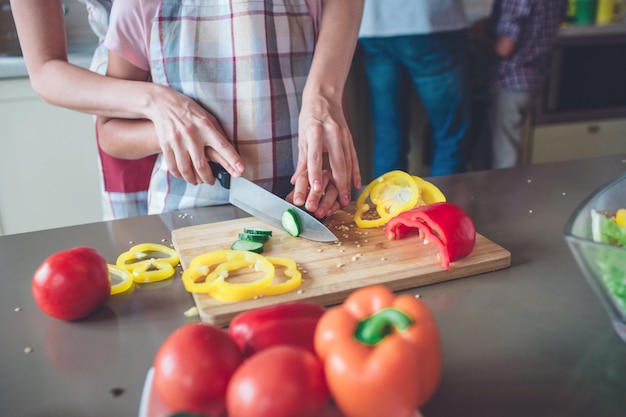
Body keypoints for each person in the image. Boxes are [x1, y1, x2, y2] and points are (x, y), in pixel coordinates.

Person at [9, 0, 360, 219]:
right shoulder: (142, 7)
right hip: (189, 212)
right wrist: (159, 114)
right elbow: (107, 129)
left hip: (295, 207)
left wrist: (324, 163)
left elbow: (329, 102)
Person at [357, 0, 473, 178]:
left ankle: (387, 205)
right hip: (431, 20)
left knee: (388, 137)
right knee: (450, 139)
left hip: (372, 24)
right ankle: (440, 205)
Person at [470, 0, 568, 169]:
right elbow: (556, 22)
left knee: (505, 158)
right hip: (532, 79)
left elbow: (504, 48)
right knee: (493, 150)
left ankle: (506, 195)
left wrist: (478, 33)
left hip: (510, 80)